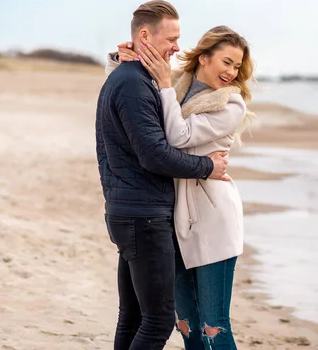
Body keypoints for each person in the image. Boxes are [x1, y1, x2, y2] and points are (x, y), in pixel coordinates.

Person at [105, 25, 254, 350]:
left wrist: (163, 84)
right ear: (204, 57)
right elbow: (138, 99)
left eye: (237, 66)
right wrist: (123, 61)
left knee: (214, 326)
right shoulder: (178, 86)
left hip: (213, 221)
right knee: (186, 325)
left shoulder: (230, 105)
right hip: (172, 220)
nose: (231, 72)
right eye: (226, 62)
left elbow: (177, 136)